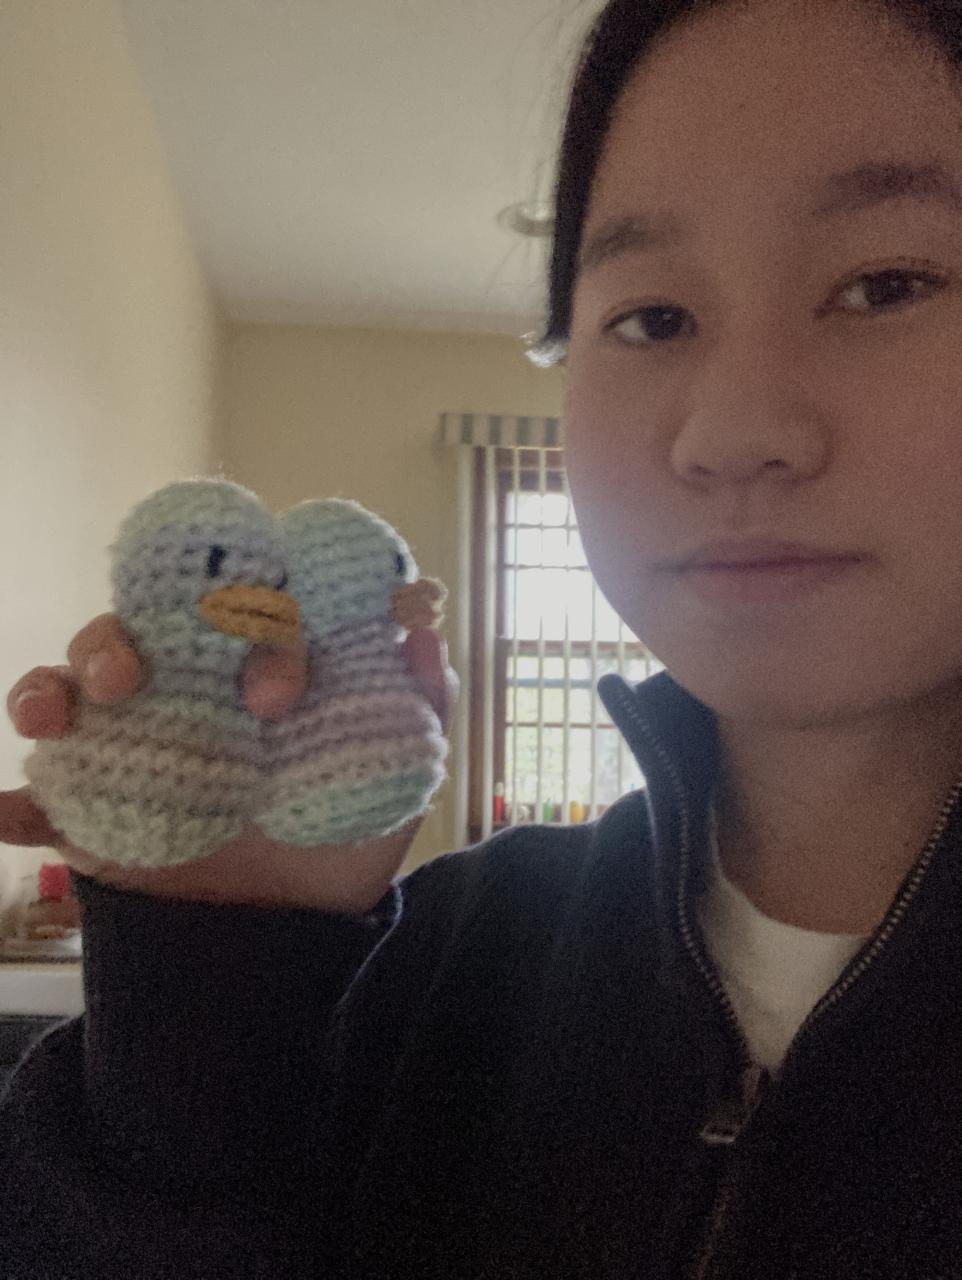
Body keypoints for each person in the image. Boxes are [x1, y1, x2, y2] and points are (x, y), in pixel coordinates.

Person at [3, 0, 962, 1273]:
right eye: (650, 317)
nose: (728, 431)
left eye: (885, 284)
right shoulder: (451, 966)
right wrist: (216, 976)